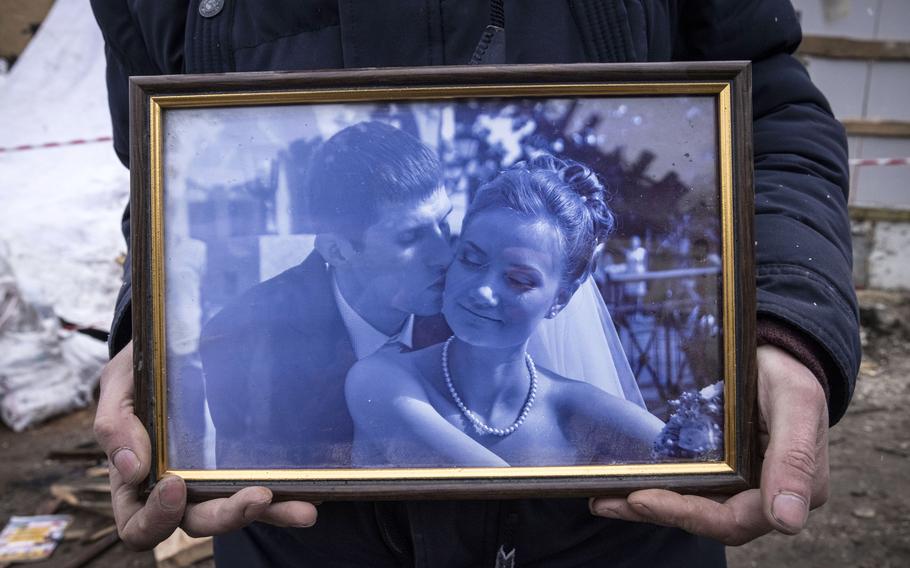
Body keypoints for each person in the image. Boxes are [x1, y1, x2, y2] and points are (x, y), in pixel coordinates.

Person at [90, 1, 859, 565]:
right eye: (434, 245)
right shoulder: (291, 347)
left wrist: (782, 330)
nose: (457, 268)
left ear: (560, 296)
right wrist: (147, 337)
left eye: (447, 231)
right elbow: (160, 168)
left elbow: (770, 111)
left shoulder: (553, 383)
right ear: (336, 245)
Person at [347, 156, 663, 468]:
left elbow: (696, 465)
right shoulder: (380, 380)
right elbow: (492, 489)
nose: (483, 291)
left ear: (561, 299)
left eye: (518, 280)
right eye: (471, 260)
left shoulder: (574, 405)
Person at [198, 120, 455, 468]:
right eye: (411, 237)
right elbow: (257, 491)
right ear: (336, 251)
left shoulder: (471, 313)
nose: (446, 256)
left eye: (445, 223)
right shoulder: (244, 337)